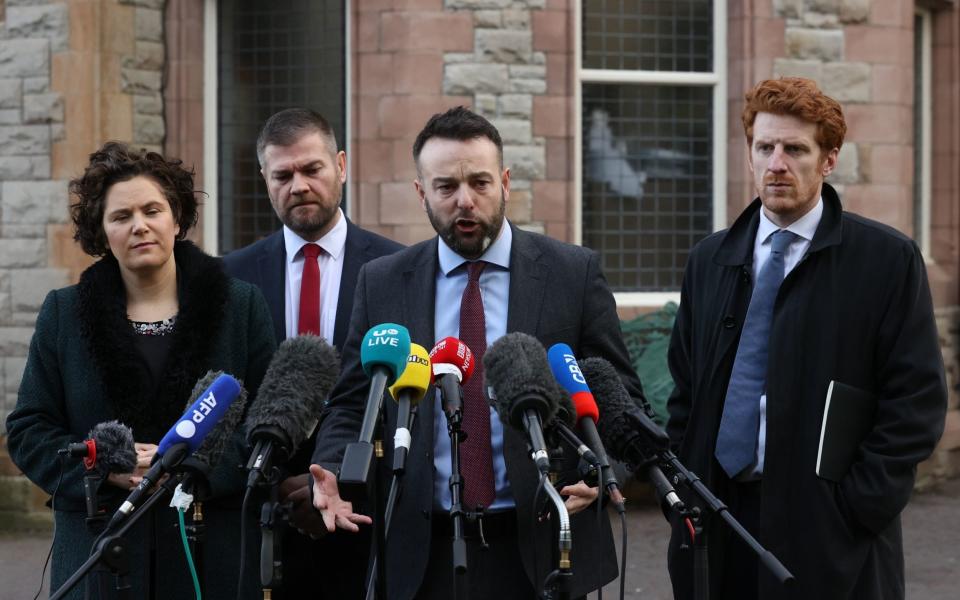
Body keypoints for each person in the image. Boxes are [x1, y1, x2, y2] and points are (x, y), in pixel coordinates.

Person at [308, 106, 646, 600]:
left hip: (546, 542)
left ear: (505, 182)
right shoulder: (382, 283)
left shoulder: (571, 274)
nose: (465, 201)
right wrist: (333, 467)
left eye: (480, 183)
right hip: (424, 552)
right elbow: (351, 402)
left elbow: (621, 398)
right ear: (422, 194)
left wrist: (607, 470)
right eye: (446, 187)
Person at [665, 77, 947, 599]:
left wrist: (855, 507)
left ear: (828, 159)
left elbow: (916, 405)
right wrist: (685, 487)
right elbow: (685, 390)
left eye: (795, 149)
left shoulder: (884, 261)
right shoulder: (711, 259)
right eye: (764, 147)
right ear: (748, 155)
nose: (777, 163)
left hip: (829, 531)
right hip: (717, 521)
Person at [5, 142, 277, 599]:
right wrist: (102, 467)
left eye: (152, 209)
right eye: (121, 216)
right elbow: (29, 431)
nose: (139, 226)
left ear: (176, 217)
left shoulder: (240, 305)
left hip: (211, 554)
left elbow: (267, 422)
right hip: (99, 555)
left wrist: (195, 468)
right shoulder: (64, 314)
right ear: (101, 231)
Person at [223, 108, 401, 599]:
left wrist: (338, 471)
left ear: (341, 166)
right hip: (266, 510)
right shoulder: (232, 276)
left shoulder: (396, 268)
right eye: (282, 175)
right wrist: (275, 476)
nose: (298, 185)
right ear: (265, 180)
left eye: (312, 169)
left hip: (365, 509)